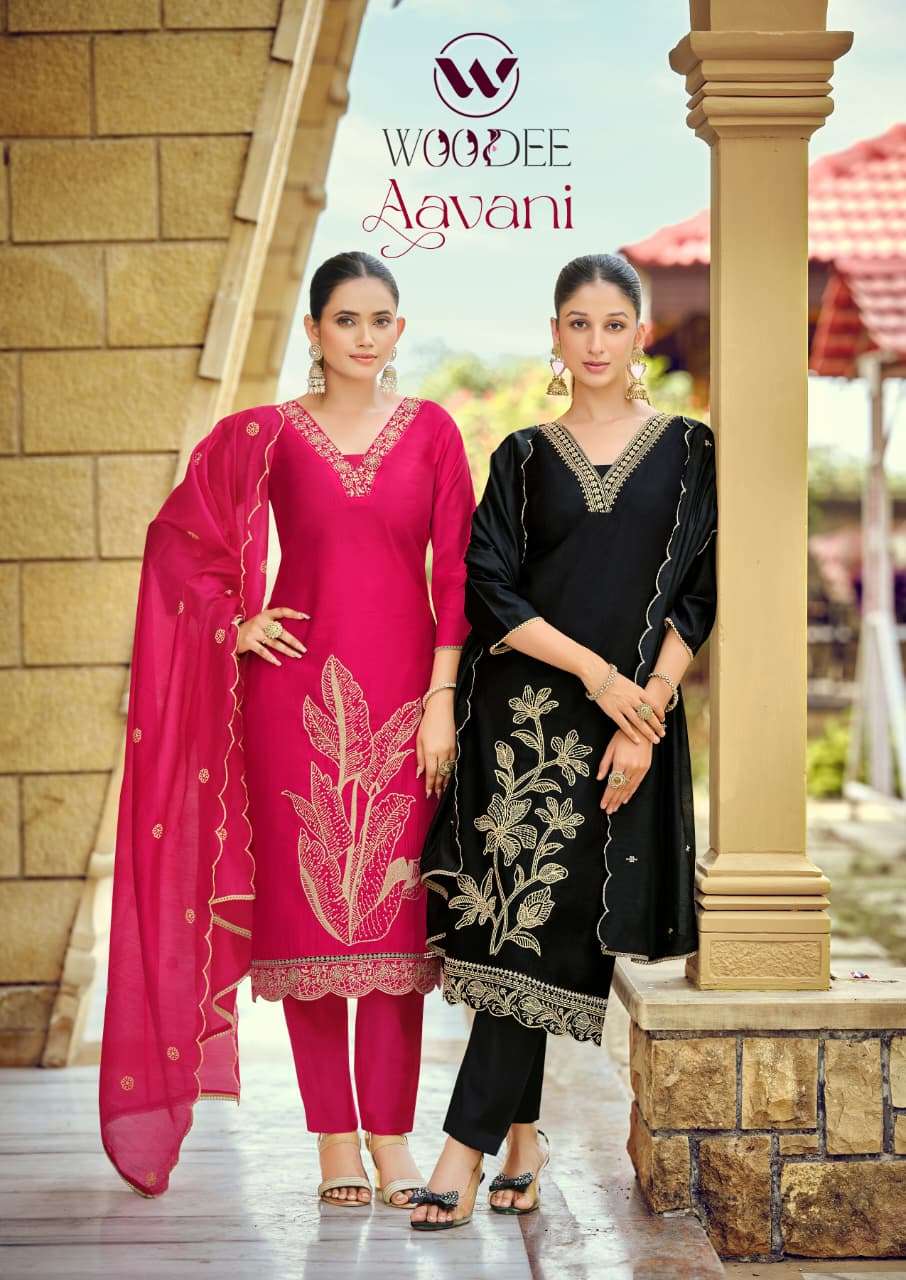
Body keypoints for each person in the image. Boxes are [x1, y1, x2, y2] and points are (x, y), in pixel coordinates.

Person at [100, 251, 475, 1208]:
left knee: (394, 923)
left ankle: (392, 1139)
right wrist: (233, 624)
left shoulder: (432, 432)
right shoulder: (266, 435)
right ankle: (335, 1143)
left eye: (380, 319)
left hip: (407, 704)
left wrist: (442, 699)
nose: (364, 336)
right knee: (307, 928)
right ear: (314, 330)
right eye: (346, 319)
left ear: (399, 329)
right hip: (292, 698)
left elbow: (456, 576)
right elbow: (179, 542)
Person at [408, 253, 718, 1230]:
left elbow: (699, 591)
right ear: (554, 334)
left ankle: (462, 1147)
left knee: (544, 919)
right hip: (523, 722)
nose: (595, 342)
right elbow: (490, 588)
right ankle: (514, 1141)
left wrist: (643, 713)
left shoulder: (690, 450)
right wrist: (598, 677)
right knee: (520, 925)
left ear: (639, 335)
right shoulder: (523, 456)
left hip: (627, 730)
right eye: (577, 324)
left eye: (613, 324)